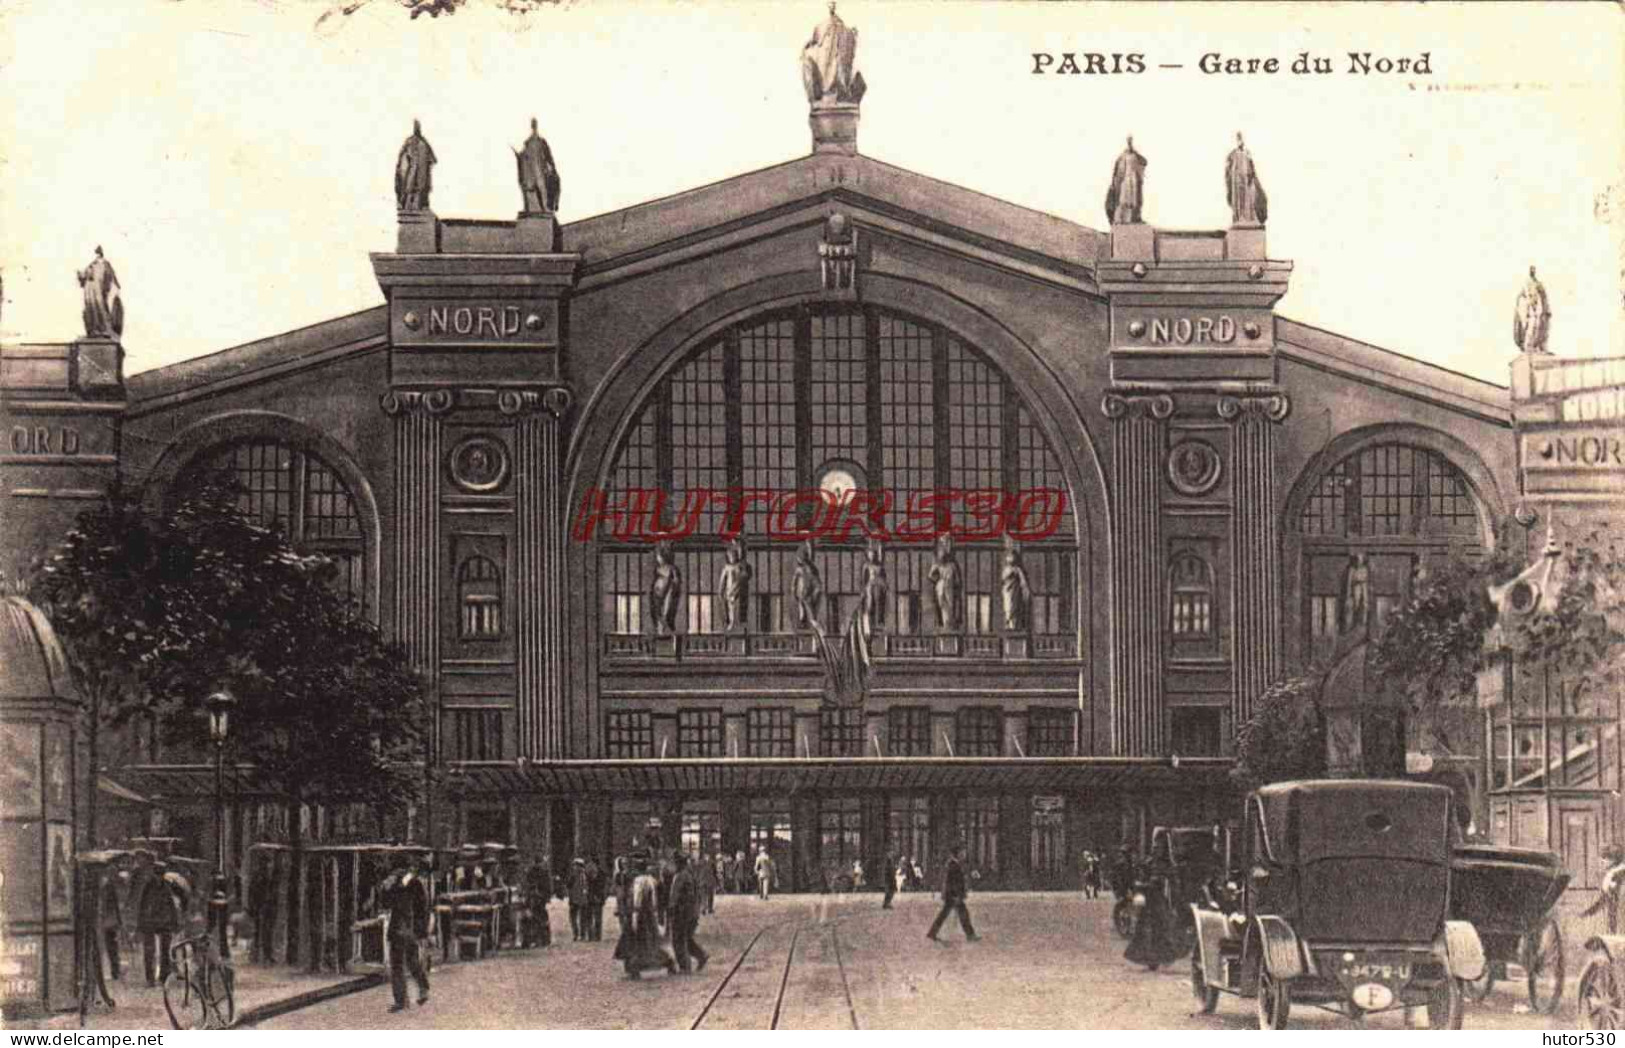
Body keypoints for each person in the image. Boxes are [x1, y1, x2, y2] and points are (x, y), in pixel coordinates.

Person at [380, 856, 431, 1013]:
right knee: (408, 962)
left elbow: (421, 907)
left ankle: (406, 998)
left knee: (403, 964)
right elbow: (387, 903)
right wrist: (386, 889)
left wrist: (421, 931)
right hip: (404, 929)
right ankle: (418, 991)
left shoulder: (411, 883)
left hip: (405, 929)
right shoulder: (396, 883)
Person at [615, 854, 677, 980]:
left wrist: (634, 917)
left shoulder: (639, 881)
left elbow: (637, 901)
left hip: (639, 916)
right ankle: (666, 962)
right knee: (650, 943)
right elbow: (655, 901)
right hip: (648, 916)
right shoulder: (651, 880)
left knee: (637, 943)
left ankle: (634, 969)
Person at [1123, 845, 1184, 971]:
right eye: (1155, 847)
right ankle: (1149, 959)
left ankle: (1160, 958)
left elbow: (1167, 883)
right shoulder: (1150, 862)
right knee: (1145, 931)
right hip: (1149, 902)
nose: (1156, 850)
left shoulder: (1167, 866)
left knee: (1160, 930)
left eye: (1159, 848)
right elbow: (1141, 875)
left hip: (1158, 901)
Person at [136, 857, 187, 985]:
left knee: (165, 951)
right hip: (151, 922)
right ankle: (150, 978)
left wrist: (174, 923)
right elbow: (142, 906)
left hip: (165, 923)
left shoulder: (167, 887)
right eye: (157, 873)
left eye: (161, 874)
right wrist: (140, 924)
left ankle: (164, 976)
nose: (158, 876)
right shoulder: (148, 886)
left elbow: (171, 905)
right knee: (149, 951)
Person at [926, 843, 978, 943]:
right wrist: (956, 895)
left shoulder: (954, 864)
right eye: (962, 852)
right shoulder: (953, 865)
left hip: (952, 895)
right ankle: (970, 935)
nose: (964, 854)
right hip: (953, 895)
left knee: (948, 914)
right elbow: (952, 882)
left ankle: (932, 933)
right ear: (957, 853)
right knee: (961, 914)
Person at [668, 853, 709, 974]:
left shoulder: (681, 876)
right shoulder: (690, 874)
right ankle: (701, 955)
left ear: (678, 863)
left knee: (678, 939)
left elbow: (675, 896)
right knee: (686, 938)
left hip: (682, 913)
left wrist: (671, 909)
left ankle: (685, 966)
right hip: (692, 912)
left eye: (675, 863)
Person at [99, 865, 125, 982]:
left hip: (108, 922)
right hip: (110, 921)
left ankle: (115, 971)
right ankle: (115, 971)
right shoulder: (109, 886)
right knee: (112, 948)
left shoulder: (107, 887)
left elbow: (110, 905)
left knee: (111, 948)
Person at [521, 855, 553, 948]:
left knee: (536, 919)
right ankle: (542, 940)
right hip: (537, 898)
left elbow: (528, 885)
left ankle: (539, 939)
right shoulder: (542, 872)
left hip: (537, 898)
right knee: (539, 919)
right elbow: (547, 887)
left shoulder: (532, 872)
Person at [568, 857, 590, 941]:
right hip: (581, 899)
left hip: (576, 899)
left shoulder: (574, 875)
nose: (574, 867)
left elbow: (569, 886)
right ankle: (580, 934)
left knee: (576, 918)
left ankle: (577, 934)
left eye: (575, 865)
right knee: (581, 918)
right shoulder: (585, 875)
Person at [586, 857, 607, 942]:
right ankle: (591, 936)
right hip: (591, 898)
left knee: (596, 918)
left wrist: (599, 896)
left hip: (597, 897)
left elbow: (602, 887)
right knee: (590, 917)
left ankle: (597, 936)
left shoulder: (601, 874)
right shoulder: (587, 874)